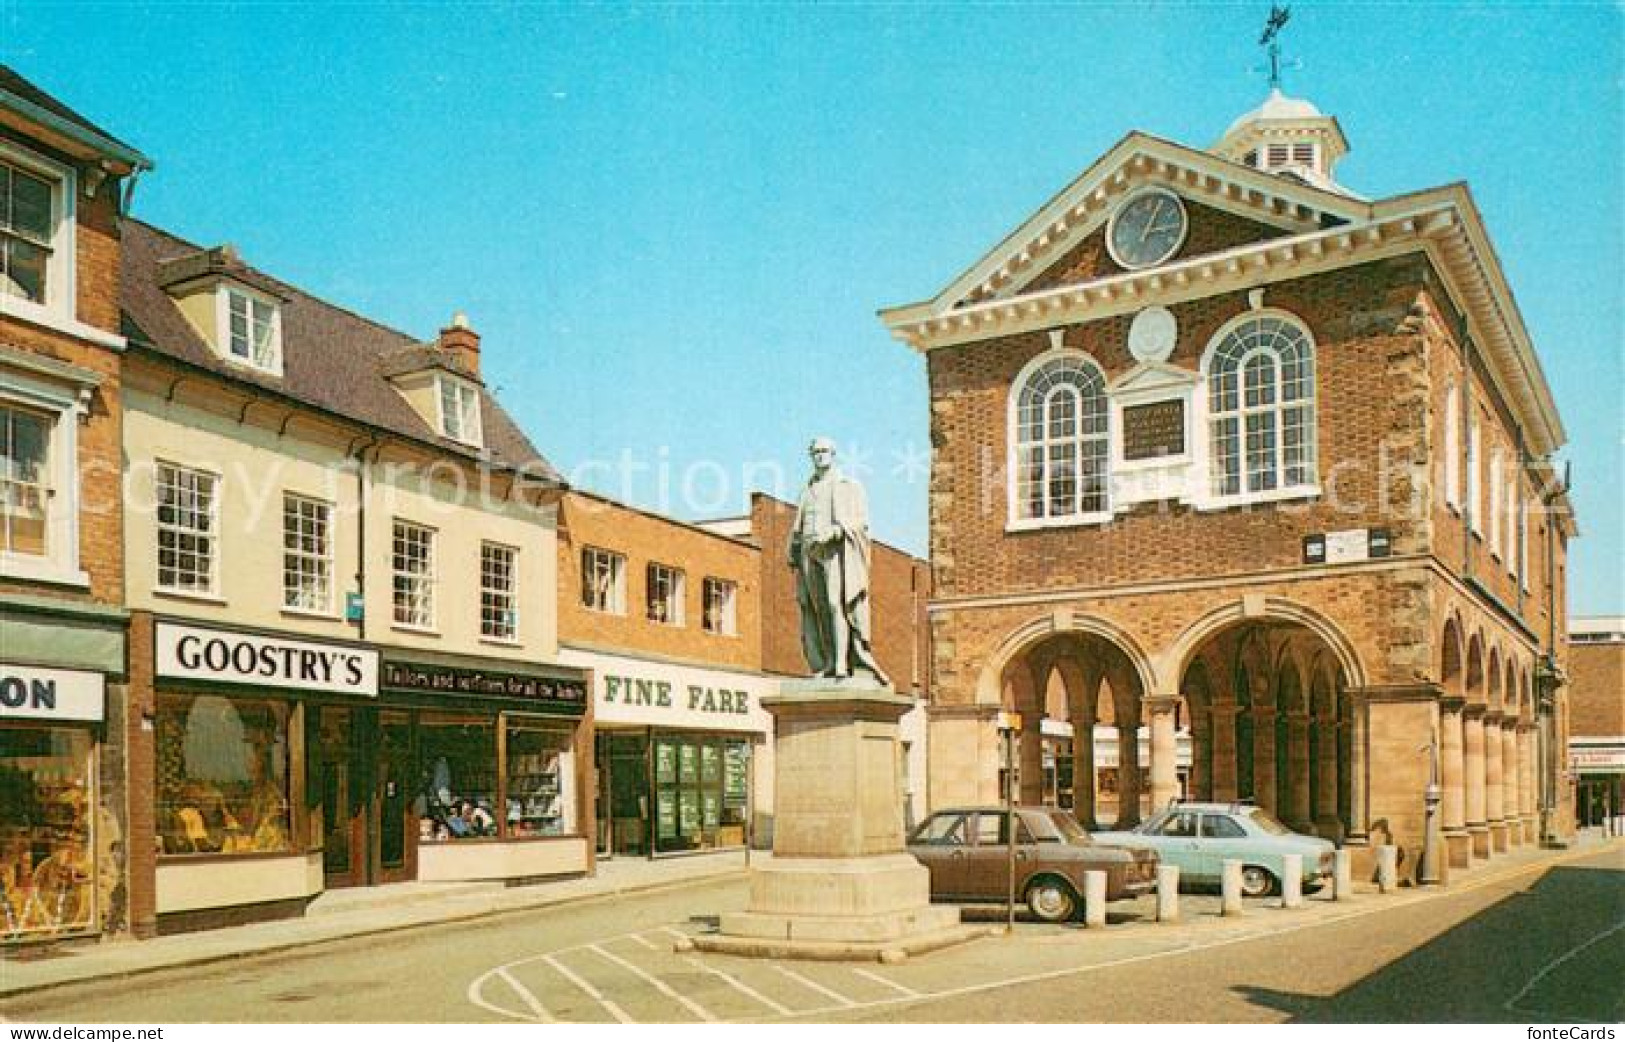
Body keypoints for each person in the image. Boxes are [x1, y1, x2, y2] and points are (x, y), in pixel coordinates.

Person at [788, 437, 890, 685]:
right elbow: (799, 525)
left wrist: (835, 532)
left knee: (837, 604)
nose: (820, 456)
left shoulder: (847, 486)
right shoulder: (807, 490)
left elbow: (860, 522)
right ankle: (828, 662)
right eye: (815, 452)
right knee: (817, 609)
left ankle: (843, 663)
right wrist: (794, 545)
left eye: (824, 451)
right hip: (809, 552)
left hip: (835, 551)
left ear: (833, 454)